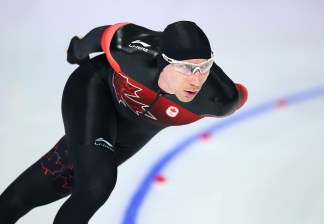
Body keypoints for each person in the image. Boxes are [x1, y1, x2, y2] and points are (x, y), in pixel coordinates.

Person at [0, 21, 248, 223]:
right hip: (97, 90)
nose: (196, 80)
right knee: (97, 184)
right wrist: (77, 51)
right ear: (163, 61)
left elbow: (239, 95)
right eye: (185, 68)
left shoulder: (218, 98)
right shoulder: (130, 47)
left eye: (204, 67)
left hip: (136, 130)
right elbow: (100, 38)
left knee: (37, 189)